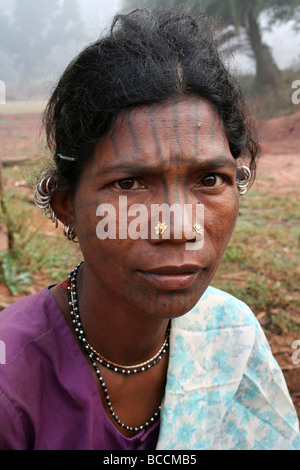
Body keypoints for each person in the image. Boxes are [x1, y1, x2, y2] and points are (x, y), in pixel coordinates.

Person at [0, 7, 299, 451]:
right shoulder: (12, 381)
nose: (177, 227)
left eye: (209, 179)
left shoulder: (229, 335)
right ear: (66, 206)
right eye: (128, 184)